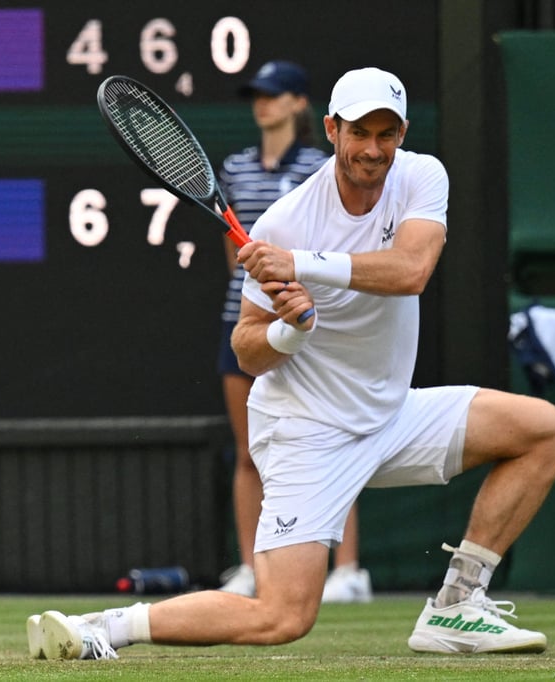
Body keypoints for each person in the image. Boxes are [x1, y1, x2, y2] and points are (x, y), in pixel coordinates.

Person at [26, 66, 555, 659]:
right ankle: (101, 628)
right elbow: (246, 347)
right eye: (359, 132)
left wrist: (301, 265)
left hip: (391, 415)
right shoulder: (285, 218)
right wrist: (291, 329)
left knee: (541, 430)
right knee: (280, 617)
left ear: (402, 134)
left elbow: (411, 271)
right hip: (306, 431)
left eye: (387, 134)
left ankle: (457, 605)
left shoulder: (420, 177)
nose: (373, 149)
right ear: (333, 130)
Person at [212, 59, 330, 599]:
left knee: (331, 444)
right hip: (247, 320)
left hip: (308, 320)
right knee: (248, 451)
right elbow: (232, 258)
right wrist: (261, 287)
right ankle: (251, 568)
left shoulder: (319, 166)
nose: (263, 103)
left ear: (298, 103)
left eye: (274, 94)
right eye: (257, 95)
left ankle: (347, 571)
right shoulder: (234, 168)